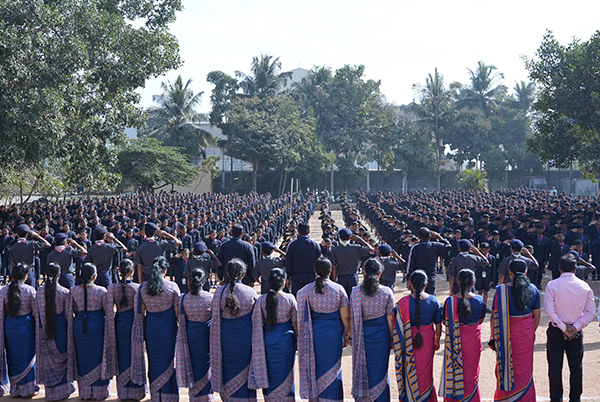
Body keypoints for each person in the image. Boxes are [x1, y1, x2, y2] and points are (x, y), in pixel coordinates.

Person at [297, 257, 351, 402]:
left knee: (315, 367)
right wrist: (347, 335)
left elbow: (300, 315)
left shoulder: (306, 290)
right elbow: (345, 316)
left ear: (315, 271)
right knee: (334, 367)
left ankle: (316, 397)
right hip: (334, 335)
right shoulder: (339, 289)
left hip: (314, 335)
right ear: (330, 271)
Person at [544, 254, 596, 402]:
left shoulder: (552, 285)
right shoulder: (584, 286)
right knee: (576, 367)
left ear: (559, 268)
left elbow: (549, 310)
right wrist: (575, 327)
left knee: (555, 367)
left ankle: (556, 398)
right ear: (575, 269)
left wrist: (562, 327)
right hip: (575, 332)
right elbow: (591, 312)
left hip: (557, 330)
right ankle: (575, 399)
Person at [490, 259, 540, 402]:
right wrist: (529, 331)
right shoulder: (533, 289)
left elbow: (494, 316)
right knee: (524, 368)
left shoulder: (501, 290)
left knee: (505, 367)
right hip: (526, 335)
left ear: (510, 273)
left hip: (505, 335)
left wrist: (494, 336)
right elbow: (537, 316)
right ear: (526, 272)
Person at [131, 256, 181, 402]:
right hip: (168, 331)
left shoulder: (143, 288)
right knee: (169, 362)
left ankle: (156, 395)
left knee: (153, 362)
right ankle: (169, 395)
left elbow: (141, 313)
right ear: (165, 270)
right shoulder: (172, 287)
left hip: (151, 330)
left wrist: (143, 333)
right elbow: (178, 314)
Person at [210, 259, 258, 401]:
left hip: (225, 338)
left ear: (227, 273)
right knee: (245, 369)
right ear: (243, 274)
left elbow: (214, 314)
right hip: (245, 339)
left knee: (227, 368)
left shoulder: (219, 292)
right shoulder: (250, 292)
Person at [249, 268, 297, 401]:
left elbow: (256, 322)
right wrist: (298, 338)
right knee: (286, 372)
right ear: (283, 282)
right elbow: (295, 322)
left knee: (270, 371)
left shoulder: (262, 300)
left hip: (268, 339)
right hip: (286, 340)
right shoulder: (289, 298)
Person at [393, 270, 441, 402]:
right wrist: (437, 339)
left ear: (410, 284)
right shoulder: (433, 301)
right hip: (428, 341)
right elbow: (438, 325)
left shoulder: (402, 302)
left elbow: (395, 324)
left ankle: (411, 396)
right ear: (426, 284)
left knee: (409, 369)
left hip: (408, 341)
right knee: (426, 372)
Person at [350, 258, 394, 402]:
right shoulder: (387, 292)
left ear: (364, 272)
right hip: (381, 337)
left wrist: (350, 336)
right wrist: (392, 338)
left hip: (362, 337)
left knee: (365, 370)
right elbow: (390, 319)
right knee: (380, 371)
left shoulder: (356, 292)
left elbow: (352, 317)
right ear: (380, 274)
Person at [441, 269, 486, 402]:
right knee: (471, 372)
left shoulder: (450, 301)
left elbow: (444, 321)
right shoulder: (479, 300)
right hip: (473, 341)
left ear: (458, 282)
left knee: (454, 371)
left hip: (454, 342)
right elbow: (480, 320)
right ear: (473, 283)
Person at [105, 259, 146, 400]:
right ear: (132, 272)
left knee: (121, 357)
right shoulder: (137, 288)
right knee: (135, 355)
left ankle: (123, 392)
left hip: (119, 325)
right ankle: (136, 392)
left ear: (119, 271)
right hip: (134, 325)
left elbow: (109, 311)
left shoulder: (112, 288)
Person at [71, 263, 112, 399]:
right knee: (98, 357)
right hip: (97, 326)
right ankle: (100, 392)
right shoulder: (102, 291)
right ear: (94, 276)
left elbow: (72, 310)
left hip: (79, 326)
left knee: (82, 358)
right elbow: (108, 311)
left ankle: (85, 393)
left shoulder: (74, 291)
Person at [35, 263, 76, 401]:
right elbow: (68, 316)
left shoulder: (39, 291)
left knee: (48, 361)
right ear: (59, 274)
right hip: (61, 330)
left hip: (46, 330)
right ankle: (64, 391)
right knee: (62, 359)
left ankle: (50, 393)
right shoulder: (65, 292)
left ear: (46, 274)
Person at [176, 268, 214, 402]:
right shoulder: (210, 297)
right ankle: (207, 395)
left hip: (191, 334)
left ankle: (194, 395)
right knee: (206, 364)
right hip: (205, 335)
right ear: (204, 281)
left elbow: (181, 318)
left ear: (190, 280)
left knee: (193, 363)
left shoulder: (184, 298)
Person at [0, 263, 38, 397]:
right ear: (25, 276)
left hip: (10, 327)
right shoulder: (30, 290)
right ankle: (29, 389)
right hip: (26, 328)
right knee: (28, 358)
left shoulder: (4, 290)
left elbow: (1, 312)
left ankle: (15, 390)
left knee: (12, 358)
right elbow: (36, 312)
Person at [329, 228, 374, 296]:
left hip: (341, 277)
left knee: (342, 298)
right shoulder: (356, 248)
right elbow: (371, 249)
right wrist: (360, 239)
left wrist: (335, 280)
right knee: (353, 297)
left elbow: (334, 267)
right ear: (350, 238)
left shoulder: (335, 250)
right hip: (353, 277)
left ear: (340, 238)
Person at [406, 228, 451, 295]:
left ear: (419, 237)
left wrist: (408, 279)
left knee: (416, 297)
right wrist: (438, 237)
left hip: (417, 278)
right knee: (430, 298)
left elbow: (410, 264)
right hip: (430, 278)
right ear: (430, 237)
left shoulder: (415, 248)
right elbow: (448, 246)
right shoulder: (435, 246)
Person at [285, 223, 322, 296]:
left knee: (297, 298)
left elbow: (288, 262)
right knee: (310, 298)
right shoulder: (315, 245)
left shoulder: (292, 245)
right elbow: (319, 262)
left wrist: (288, 277)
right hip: (310, 276)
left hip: (296, 277)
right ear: (309, 231)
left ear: (298, 231)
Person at [9, 224, 51, 288]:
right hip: (29, 271)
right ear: (26, 235)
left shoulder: (12, 247)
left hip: (18, 271)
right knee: (30, 291)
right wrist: (37, 236)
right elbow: (48, 245)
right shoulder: (31, 243)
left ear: (18, 234)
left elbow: (13, 263)